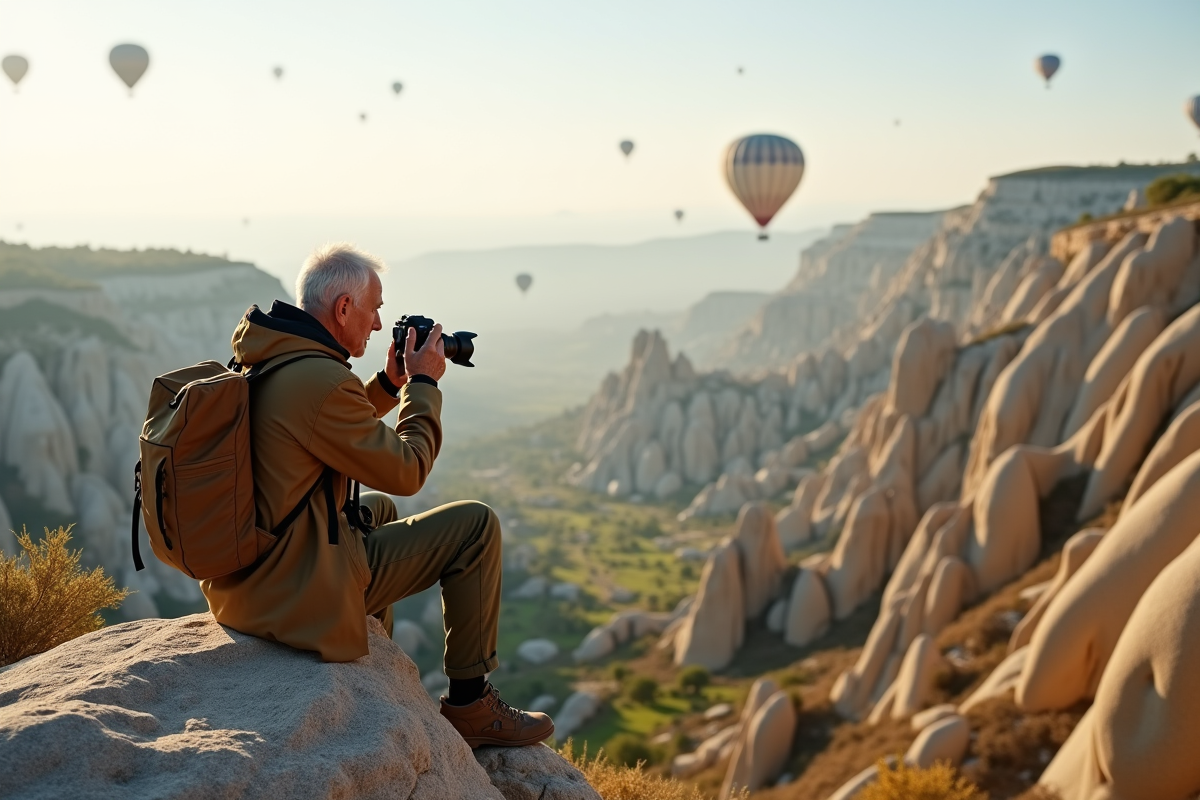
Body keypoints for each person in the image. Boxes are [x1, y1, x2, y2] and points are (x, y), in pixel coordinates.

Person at [200, 243, 553, 748]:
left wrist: (390, 383)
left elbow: (325, 424)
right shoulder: (319, 378)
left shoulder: (275, 356)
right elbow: (408, 470)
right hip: (288, 591)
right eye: (374, 309)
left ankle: (368, 656)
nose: (377, 322)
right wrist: (424, 384)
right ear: (343, 308)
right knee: (475, 525)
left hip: (251, 576)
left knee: (377, 511)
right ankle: (471, 704)